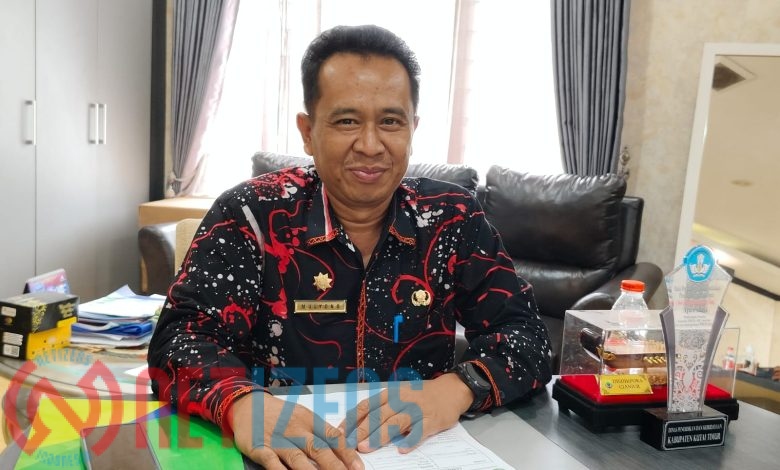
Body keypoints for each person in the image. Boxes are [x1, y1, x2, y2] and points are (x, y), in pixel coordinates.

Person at [148, 24, 551, 469]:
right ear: (307, 131)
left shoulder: (452, 218)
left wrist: (456, 389)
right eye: (347, 121)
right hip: (278, 454)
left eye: (391, 121)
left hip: (419, 452)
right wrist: (241, 403)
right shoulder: (252, 215)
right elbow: (180, 339)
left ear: (413, 128)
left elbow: (526, 336)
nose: (371, 145)